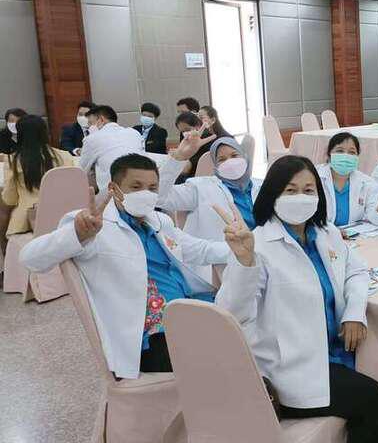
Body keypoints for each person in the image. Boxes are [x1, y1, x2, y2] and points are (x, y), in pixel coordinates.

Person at [214, 155, 378, 443]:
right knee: (370, 395)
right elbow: (232, 313)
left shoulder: (325, 234)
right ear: (272, 195)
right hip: (289, 366)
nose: (301, 197)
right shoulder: (258, 244)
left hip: (331, 349)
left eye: (308, 190)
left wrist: (353, 313)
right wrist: (245, 262)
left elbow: (357, 272)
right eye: (290, 190)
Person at [20, 153, 230, 376]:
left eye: (152, 188)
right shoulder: (95, 226)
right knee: (217, 363)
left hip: (189, 310)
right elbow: (30, 258)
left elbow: (197, 249)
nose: (145, 194)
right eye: (136, 187)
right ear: (113, 188)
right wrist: (78, 235)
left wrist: (243, 249)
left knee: (244, 331)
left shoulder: (159, 221)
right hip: (151, 333)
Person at [156, 133, 255, 279]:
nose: (230, 162)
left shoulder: (261, 187)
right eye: (221, 160)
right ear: (216, 166)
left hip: (259, 261)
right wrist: (178, 158)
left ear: (245, 157)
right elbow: (158, 196)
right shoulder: (200, 187)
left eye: (234, 155)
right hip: (218, 269)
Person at [2, 115, 76, 236]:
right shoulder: (65, 156)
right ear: (45, 133)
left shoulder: (13, 161)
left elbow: (10, 199)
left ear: (19, 135)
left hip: (26, 222)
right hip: (63, 219)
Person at [315, 132, 378, 228]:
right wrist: (332, 232)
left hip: (352, 234)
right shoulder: (315, 178)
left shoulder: (366, 183)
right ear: (329, 154)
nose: (345, 156)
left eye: (351, 152)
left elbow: (377, 219)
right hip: (322, 233)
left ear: (357, 157)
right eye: (340, 151)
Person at [79, 105, 144, 191]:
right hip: (142, 186)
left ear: (101, 120)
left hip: (114, 192)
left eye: (91, 123)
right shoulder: (134, 133)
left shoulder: (92, 138)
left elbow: (82, 171)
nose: (89, 128)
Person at [173, 111, 211, 181]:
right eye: (182, 131)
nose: (185, 133)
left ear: (198, 126)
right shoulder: (186, 138)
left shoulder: (207, 138)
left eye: (187, 129)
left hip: (199, 175)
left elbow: (190, 165)